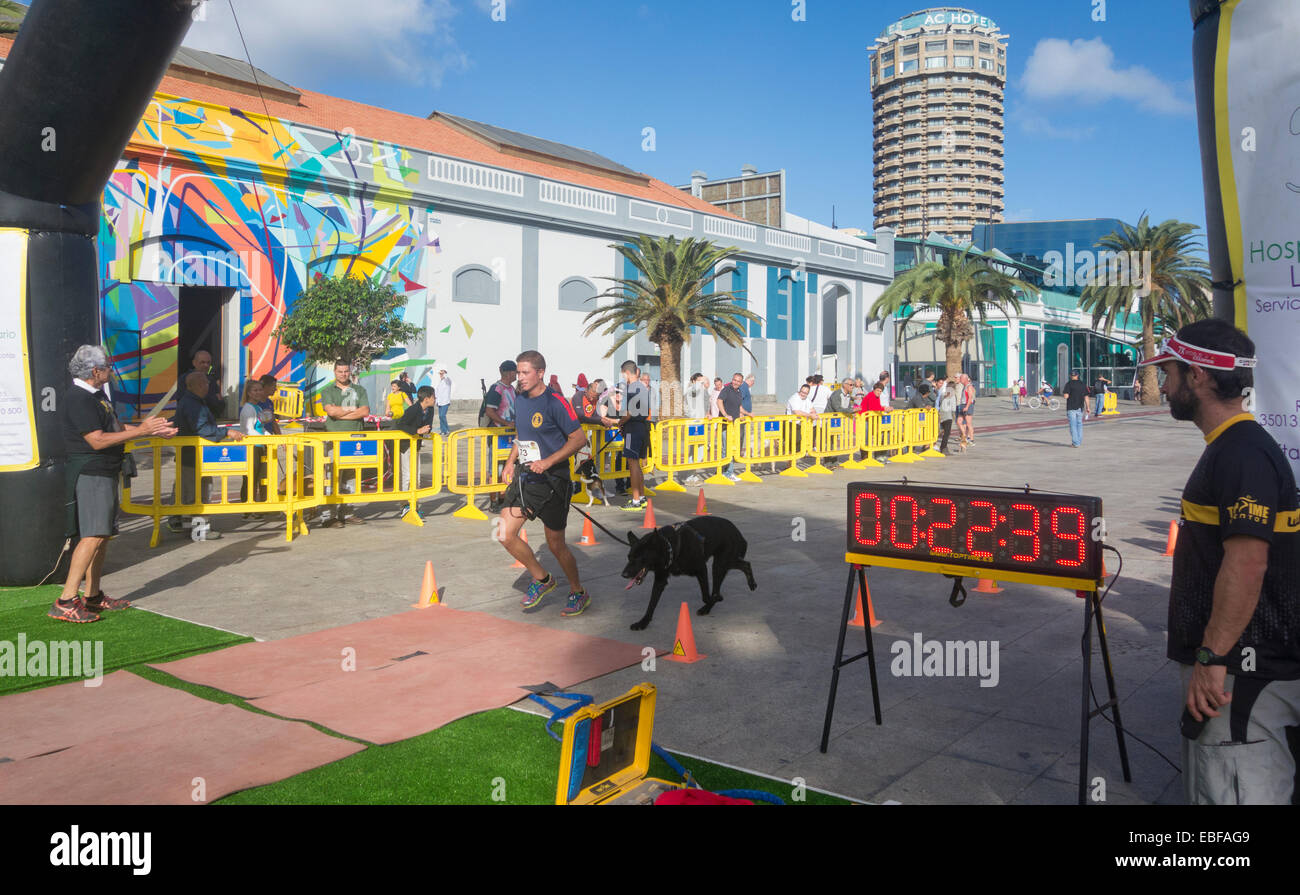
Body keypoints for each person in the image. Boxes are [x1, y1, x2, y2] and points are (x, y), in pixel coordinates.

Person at [1141, 319, 1300, 804]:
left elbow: (1248, 565)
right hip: (1239, 668)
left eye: (1169, 372)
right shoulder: (1236, 448)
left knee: (1233, 792)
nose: (1162, 385)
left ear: (1199, 377)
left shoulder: (1242, 454)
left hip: (1241, 675)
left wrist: (1211, 659)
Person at [50, 346, 178, 622]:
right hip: (92, 472)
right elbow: (96, 440)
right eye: (107, 366)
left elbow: (116, 430)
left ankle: (92, 595)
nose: (111, 370)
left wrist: (154, 432)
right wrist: (144, 429)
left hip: (104, 471)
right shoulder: (79, 398)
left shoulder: (95, 397)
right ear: (95, 371)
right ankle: (65, 600)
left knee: (102, 535)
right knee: (93, 535)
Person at [498, 350, 592, 617]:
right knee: (504, 533)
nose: (520, 377)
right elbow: (521, 433)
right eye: (518, 372)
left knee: (555, 544)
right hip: (526, 477)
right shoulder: (521, 398)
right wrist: (509, 461)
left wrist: (549, 462)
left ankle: (578, 591)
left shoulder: (556, 403)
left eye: (525, 372)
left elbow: (578, 439)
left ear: (540, 373)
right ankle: (542, 580)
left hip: (553, 480)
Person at [170, 370, 245, 538]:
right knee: (198, 494)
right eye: (205, 382)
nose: (208, 385)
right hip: (193, 456)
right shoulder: (192, 404)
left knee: (192, 492)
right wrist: (227, 432)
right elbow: (203, 429)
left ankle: (189, 526)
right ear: (196, 385)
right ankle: (199, 530)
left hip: (193, 456)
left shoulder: (194, 402)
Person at [319, 360, 371, 527]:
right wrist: (352, 410)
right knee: (332, 477)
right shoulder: (327, 391)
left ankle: (347, 513)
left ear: (350, 371)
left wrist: (341, 413)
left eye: (346, 371)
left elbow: (365, 411)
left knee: (351, 478)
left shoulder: (359, 390)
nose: (343, 374)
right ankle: (329, 516)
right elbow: (331, 411)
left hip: (355, 439)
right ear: (334, 372)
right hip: (334, 440)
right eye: (340, 371)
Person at [617, 361, 652, 510]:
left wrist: (619, 422)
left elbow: (629, 412)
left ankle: (636, 500)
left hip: (633, 428)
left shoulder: (632, 388)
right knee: (636, 464)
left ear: (626, 372)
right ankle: (642, 497)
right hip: (642, 427)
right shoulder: (643, 388)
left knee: (632, 465)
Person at [394, 385, 436, 496]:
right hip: (406, 445)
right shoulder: (413, 409)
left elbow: (428, 425)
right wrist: (417, 430)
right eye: (433, 397)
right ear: (426, 399)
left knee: (416, 474)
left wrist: (427, 430)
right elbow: (401, 424)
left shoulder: (430, 410)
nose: (435, 399)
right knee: (407, 475)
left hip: (416, 445)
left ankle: (414, 502)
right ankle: (404, 503)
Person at [716, 373, 750, 482]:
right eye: (734, 380)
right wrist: (725, 415)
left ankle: (723, 472)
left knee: (729, 449)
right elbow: (719, 401)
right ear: (732, 380)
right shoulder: (726, 389)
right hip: (726, 425)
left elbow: (739, 407)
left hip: (734, 425)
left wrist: (747, 413)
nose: (735, 382)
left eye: (738, 381)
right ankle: (728, 472)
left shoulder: (739, 392)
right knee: (727, 449)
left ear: (741, 383)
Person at [182, 348, 225, 418]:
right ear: (194, 363)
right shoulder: (184, 379)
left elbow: (221, 406)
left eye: (208, 363)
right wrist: (213, 399)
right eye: (202, 362)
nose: (206, 365)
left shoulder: (212, 380)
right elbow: (188, 402)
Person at [481, 360, 518, 428]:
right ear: (509, 373)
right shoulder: (497, 389)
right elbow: (489, 411)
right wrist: (507, 423)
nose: (517, 374)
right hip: (498, 433)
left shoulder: (512, 388)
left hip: (509, 432)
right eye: (516, 372)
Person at [1062, 371, 1089, 448]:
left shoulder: (1069, 384)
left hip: (1071, 407)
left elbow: (1066, 396)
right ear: (1078, 375)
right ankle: (1078, 441)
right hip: (1080, 407)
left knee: (1073, 425)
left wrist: (1065, 393)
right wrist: (1088, 407)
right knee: (1079, 424)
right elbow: (1086, 397)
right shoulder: (1082, 384)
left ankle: (1076, 443)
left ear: (1071, 376)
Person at [936, 376, 957, 453]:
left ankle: (933, 444)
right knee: (947, 433)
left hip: (941, 414)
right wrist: (954, 417)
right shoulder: (952, 395)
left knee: (940, 431)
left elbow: (940, 402)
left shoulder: (943, 394)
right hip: (948, 416)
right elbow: (953, 408)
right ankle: (943, 447)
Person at [957, 373, 976, 446]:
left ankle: (971, 439)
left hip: (967, 405)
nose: (960, 380)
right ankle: (964, 436)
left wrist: (967, 407)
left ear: (965, 379)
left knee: (968, 423)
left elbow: (970, 398)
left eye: (961, 378)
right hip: (962, 405)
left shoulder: (969, 386)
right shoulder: (964, 386)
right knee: (959, 421)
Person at [434, 368, 453, 437]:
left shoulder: (448, 381)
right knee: (440, 416)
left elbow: (448, 376)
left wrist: (445, 372)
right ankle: (443, 431)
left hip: (445, 401)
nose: (440, 375)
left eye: (442, 374)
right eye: (440, 374)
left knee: (442, 415)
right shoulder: (440, 382)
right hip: (439, 402)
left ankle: (447, 430)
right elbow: (437, 392)